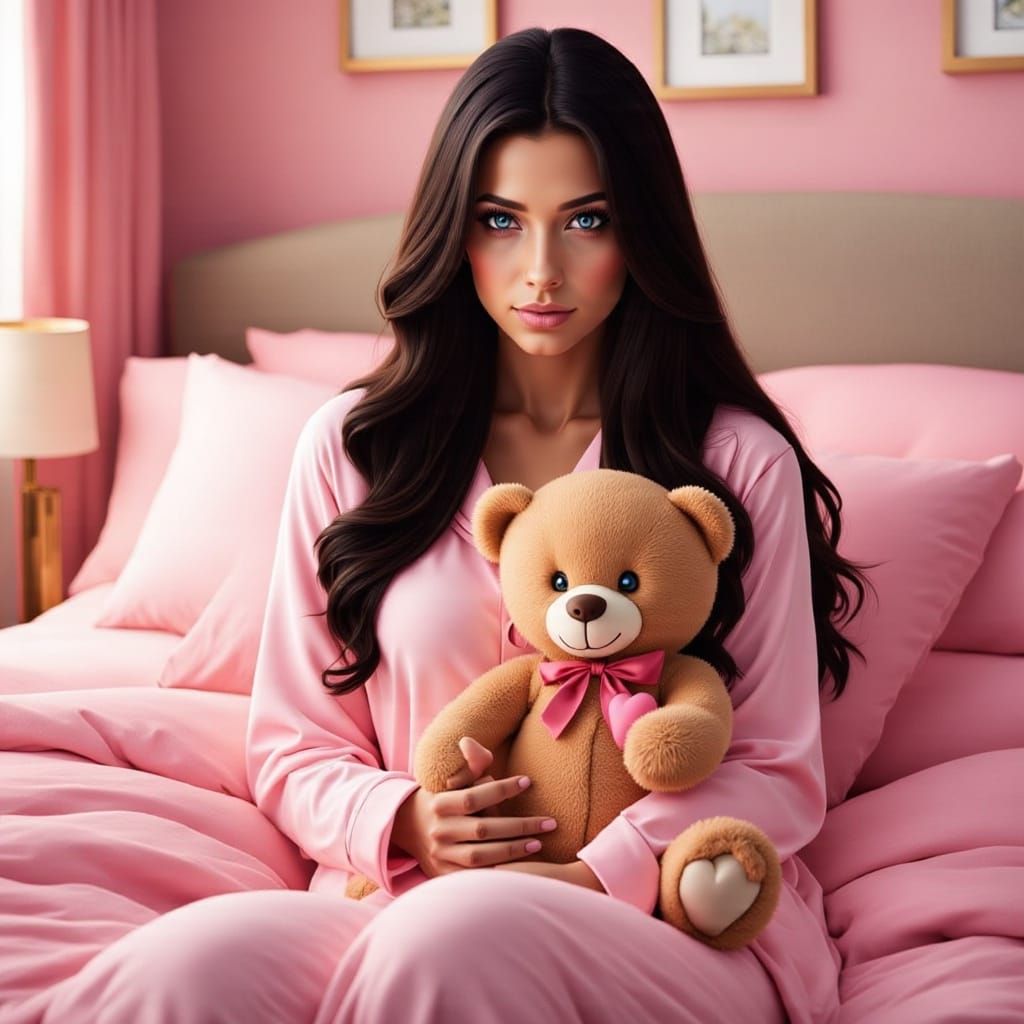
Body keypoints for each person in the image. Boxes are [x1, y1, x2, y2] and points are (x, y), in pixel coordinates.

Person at [61, 26, 867, 1023]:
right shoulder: (352, 449)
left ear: (641, 232)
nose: (540, 271)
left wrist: (594, 874)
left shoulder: (735, 463)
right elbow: (293, 743)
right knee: (182, 972)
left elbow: (774, 769)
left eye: (585, 222)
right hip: (395, 889)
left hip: (674, 911)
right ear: (454, 226)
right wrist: (402, 818)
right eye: (499, 220)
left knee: (455, 944)